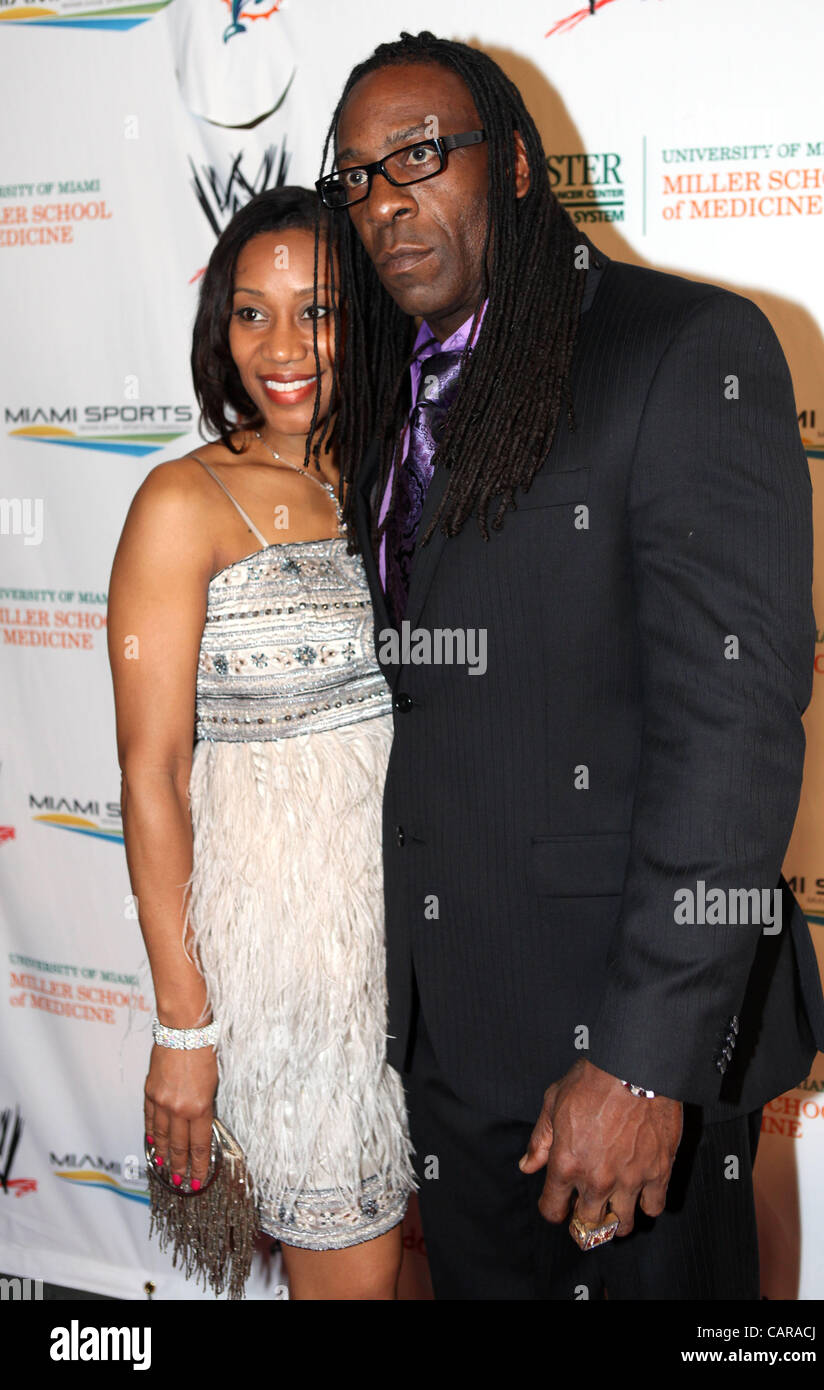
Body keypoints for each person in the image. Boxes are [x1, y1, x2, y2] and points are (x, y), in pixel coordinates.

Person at [310, 31, 824, 1300]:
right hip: (454, 1041)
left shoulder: (681, 348)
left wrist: (644, 1063)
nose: (386, 201)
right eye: (357, 179)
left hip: (619, 1047)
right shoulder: (390, 394)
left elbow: (735, 725)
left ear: (518, 168)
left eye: (420, 156)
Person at [106, 186, 415, 1301]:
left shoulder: (390, 482)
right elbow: (149, 776)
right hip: (293, 971)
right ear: (217, 329)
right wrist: (186, 1025)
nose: (281, 347)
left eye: (317, 311)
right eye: (250, 313)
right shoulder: (181, 503)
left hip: (425, 950)